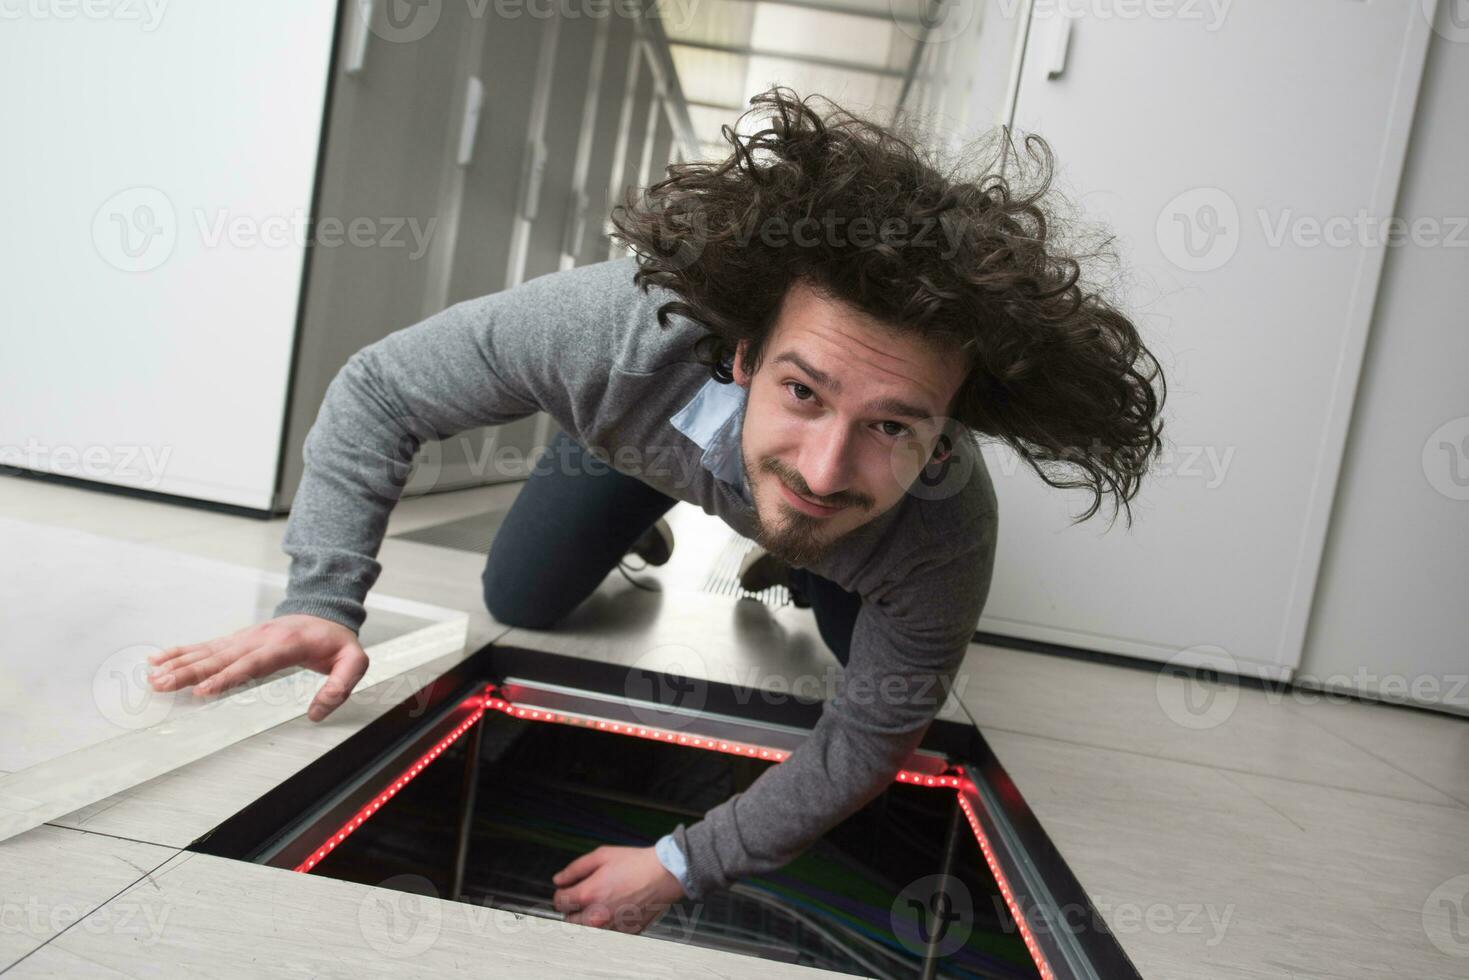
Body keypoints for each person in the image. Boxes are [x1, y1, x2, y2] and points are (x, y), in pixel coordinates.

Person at [146, 87, 1166, 934]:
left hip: (860, 548)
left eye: (893, 424)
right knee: (524, 594)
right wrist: (323, 595)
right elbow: (381, 389)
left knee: (867, 641)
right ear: (741, 355)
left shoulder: (943, 530)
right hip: (640, 453)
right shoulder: (604, 331)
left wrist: (682, 860)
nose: (825, 460)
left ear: (942, 431)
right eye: (802, 391)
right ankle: (656, 514)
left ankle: (801, 560)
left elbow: (861, 742)